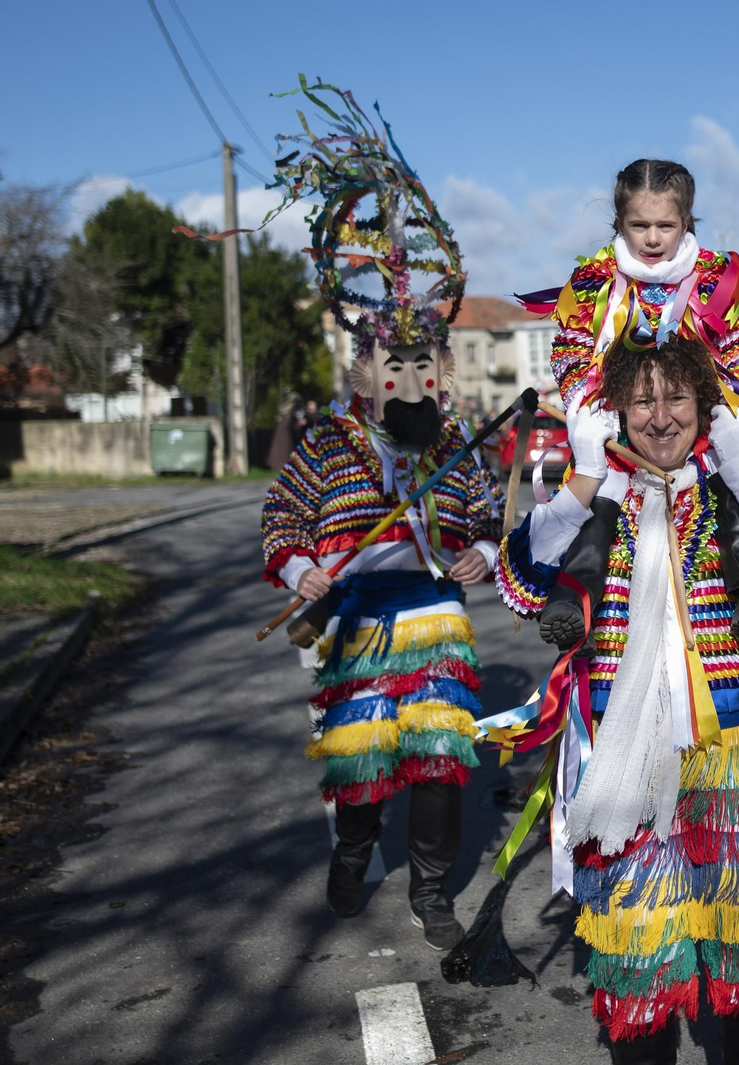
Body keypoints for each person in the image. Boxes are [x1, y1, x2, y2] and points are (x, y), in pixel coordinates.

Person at [492, 331, 739, 1065]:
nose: (659, 415)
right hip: (627, 765)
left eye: (676, 395)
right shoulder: (595, 499)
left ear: (705, 405)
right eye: (641, 398)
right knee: (642, 969)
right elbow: (520, 584)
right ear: (616, 410)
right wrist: (585, 476)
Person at [256, 79, 503, 952]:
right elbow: (281, 523)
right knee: (363, 764)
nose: (410, 384)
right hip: (353, 623)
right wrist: (304, 572)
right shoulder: (328, 443)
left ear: (439, 369)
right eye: (392, 369)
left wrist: (476, 549)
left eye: (423, 367)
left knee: (437, 751)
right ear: (366, 373)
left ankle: (434, 891)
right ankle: (354, 852)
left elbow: (486, 513)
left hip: (434, 618)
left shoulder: (459, 441)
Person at [518, 159, 739, 662]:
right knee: (600, 493)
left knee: (733, 481)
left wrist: (738, 400)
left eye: (666, 225)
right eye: (640, 225)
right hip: (624, 426)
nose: (653, 238)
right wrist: (583, 404)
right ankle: (579, 602)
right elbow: (571, 346)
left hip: (698, 424)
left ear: (687, 223)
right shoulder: (594, 281)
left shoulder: (715, 280)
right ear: (619, 223)